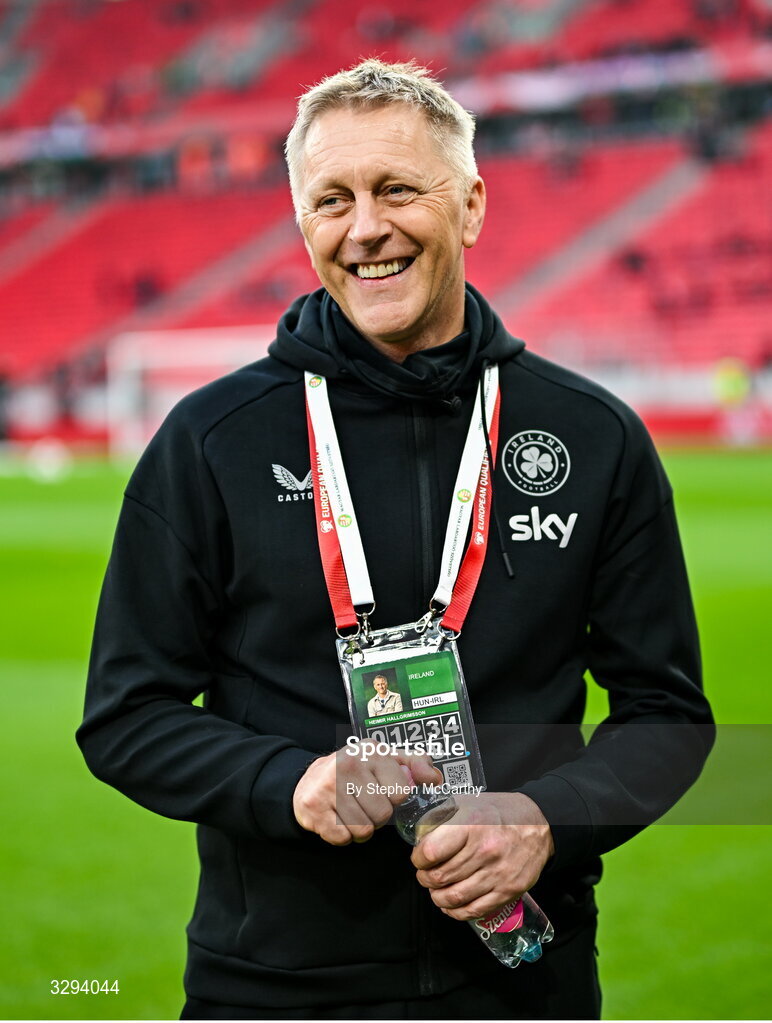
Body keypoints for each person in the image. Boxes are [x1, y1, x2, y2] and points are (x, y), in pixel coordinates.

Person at [78, 59, 714, 1020]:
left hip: (521, 980)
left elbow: (668, 714)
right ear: (302, 223)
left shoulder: (592, 437)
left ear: (471, 206)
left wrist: (549, 817)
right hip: (273, 986)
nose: (364, 227)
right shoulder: (212, 442)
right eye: (330, 199)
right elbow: (125, 715)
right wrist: (289, 783)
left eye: (397, 189)